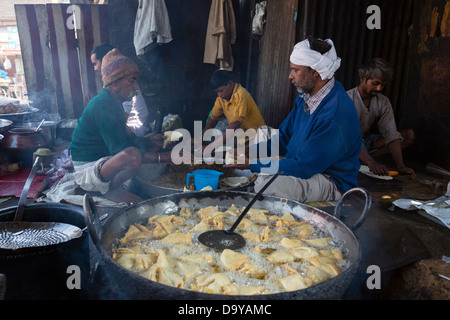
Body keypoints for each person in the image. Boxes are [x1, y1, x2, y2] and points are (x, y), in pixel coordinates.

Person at [227, 37, 362, 203]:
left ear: (315, 72)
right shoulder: (305, 98)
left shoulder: (334, 113)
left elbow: (305, 167)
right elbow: (284, 137)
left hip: (329, 179)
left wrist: (253, 165)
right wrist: (250, 152)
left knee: (267, 185)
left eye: (295, 70)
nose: (290, 76)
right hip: (301, 163)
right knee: (253, 167)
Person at [69, 49, 171, 205]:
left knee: (142, 147)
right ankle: (112, 191)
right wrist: (165, 157)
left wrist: (147, 141)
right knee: (133, 156)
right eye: (132, 81)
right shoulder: (102, 105)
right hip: (88, 169)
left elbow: (124, 137)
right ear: (114, 82)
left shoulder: (113, 103)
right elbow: (121, 150)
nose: (136, 87)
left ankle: (112, 187)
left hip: (103, 159)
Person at [347, 58, 415, 177]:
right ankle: (366, 160)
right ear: (362, 78)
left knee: (408, 135)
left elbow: (391, 134)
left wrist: (401, 166)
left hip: (367, 141)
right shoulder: (347, 99)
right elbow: (348, 138)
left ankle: (365, 158)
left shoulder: (382, 101)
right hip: (350, 142)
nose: (379, 89)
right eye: (375, 83)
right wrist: (372, 164)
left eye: (382, 85)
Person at [87, 43, 150, 137]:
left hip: (136, 131)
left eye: (95, 63)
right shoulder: (111, 83)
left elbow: (121, 117)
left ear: (104, 60)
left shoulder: (124, 83)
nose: (95, 68)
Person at [202, 69, 266, 152]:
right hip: (241, 139)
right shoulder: (221, 98)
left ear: (230, 84)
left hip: (255, 141)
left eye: (221, 91)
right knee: (210, 142)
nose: (219, 95)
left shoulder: (241, 94)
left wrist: (212, 147)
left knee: (218, 150)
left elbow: (235, 125)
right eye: (217, 92)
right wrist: (202, 140)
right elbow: (213, 119)